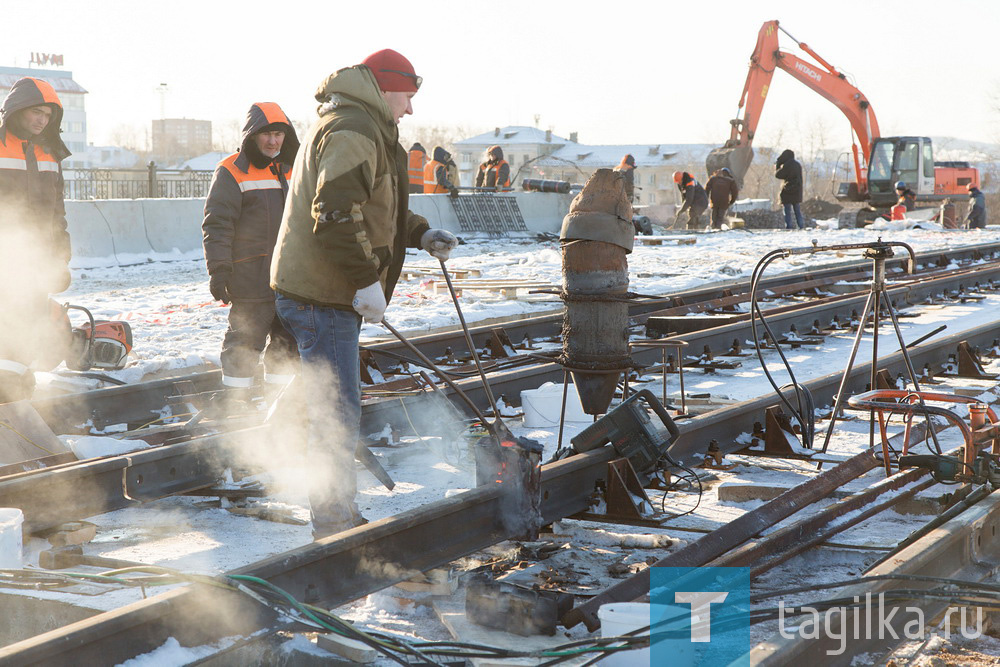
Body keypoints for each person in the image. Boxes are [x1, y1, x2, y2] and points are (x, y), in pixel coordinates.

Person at [270, 49, 458, 538]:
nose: (411, 109)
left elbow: (378, 204)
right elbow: (333, 212)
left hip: (325, 290)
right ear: (385, 87)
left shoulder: (364, 125)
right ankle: (334, 523)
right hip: (324, 293)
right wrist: (363, 280)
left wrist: (418, 234)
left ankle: (284, 448)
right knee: (336, 412)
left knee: (329, 400)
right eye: (408, 97)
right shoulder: (353, 128)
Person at [202, 102, 300, 400]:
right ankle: (235, 407)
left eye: (279, 134)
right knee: (243, 344)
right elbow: (217, 225)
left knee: (287, 344)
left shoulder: (293, 169)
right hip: (249, 278)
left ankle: (277, 404)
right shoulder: (231, 170)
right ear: (252, 136)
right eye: (266, 134)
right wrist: (219, 270)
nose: (273, 141)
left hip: (290, 279)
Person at [0, 77, 72, 403]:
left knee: (29, 328)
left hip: (37, 261)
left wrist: (61, 259)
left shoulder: (50, 153)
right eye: (36, 112)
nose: (42, 120)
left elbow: (58, 214)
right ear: (17, 110)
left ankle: (17, 403)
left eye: (47, 114)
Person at [775, 149, 805, 230]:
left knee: (787, 212)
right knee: (797, 211)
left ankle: (789, 227)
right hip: (797, 192)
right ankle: (801, 226)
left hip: (787, 192)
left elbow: (778, 175)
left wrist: (778, 165)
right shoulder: (797, 165)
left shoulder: (787, 165)